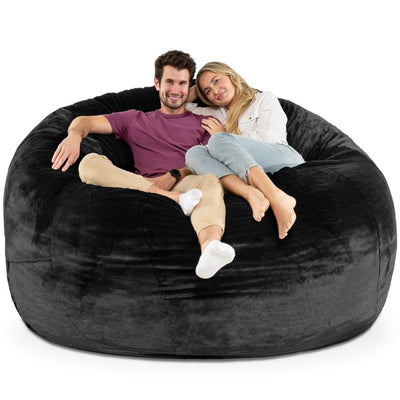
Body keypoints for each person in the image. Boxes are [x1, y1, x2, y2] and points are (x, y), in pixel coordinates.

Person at [51, 51, 235, 279]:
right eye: (169, 82)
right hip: (142, 184)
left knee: (210, 181)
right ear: (157, 83)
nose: (175, 90)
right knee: (89, 163)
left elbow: (209, 160)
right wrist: (74, 136)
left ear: (189, 88)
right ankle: (174, 200)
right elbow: (84, 121)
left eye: (182, 83)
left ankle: (209, 248)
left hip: (186, 183)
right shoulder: (135, 119)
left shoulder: (205, 123)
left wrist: (175, 174)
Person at [185, 62, 305, 239]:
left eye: (216, 81)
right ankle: (250, 193)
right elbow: (183, 106)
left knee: (217, 139)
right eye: (208, 91)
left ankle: (277, 197)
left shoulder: (264, 99)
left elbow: (268, 141)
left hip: (283, 157)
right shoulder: (219, 113)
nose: (215, 91)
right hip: (246, 169)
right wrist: (197, 87)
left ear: (231, 76)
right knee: (194, 153)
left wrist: (226, 136)